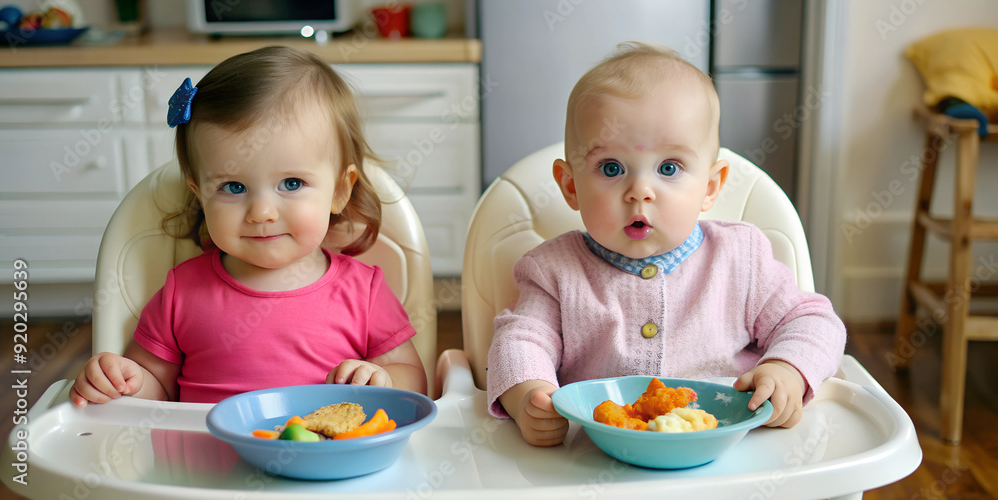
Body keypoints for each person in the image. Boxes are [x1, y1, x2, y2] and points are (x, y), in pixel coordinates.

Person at [486, 42, 846, 446]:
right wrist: (527, 396)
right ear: (571, 186)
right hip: (599, 458)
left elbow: (813, 321)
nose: (640, 192)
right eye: (611, 168)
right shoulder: (554, 271)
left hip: (730, 454)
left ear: (710, 187)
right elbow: (520, 339)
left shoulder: (740, 258)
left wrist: (787, 369)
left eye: (669, 168)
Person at [71, 46, 426, 407]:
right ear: (199, 194)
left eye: (291, 183)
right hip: (204, 462)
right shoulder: (181, 292)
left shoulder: (363, 292)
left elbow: (413, 379)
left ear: (338, 191)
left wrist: (379, 379)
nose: (262, 213)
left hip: (326, 459)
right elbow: (155, 391)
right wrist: (122, 380)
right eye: (233, 187)